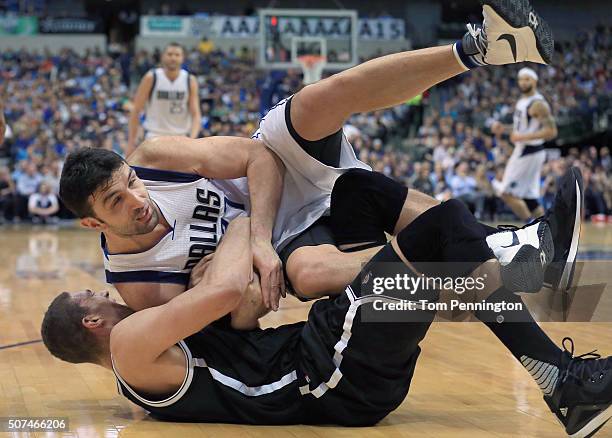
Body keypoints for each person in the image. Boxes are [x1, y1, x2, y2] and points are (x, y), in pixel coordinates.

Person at [59, 0, 570, 318]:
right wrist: (244, 275)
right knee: (311, 275)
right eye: (116, 200)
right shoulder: (140, 286)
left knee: (311, 101)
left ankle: (483, 47)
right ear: (90, 221)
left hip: (269, 183)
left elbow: (260, 157)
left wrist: (250, 241)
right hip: (286, 244)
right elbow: (241, 313)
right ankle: (502, 256)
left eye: (130, 183)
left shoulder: (153, 156)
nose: (137, 199)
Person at [41, 164, 611, 437]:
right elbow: (222, 291)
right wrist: (245, 224)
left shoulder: (148, 350)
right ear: (92, 320)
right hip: (325, 375)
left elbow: (239, 307)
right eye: (95, 294)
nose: (105, 290)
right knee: (441, 228)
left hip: (329, 353)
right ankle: (558, 375)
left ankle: (520, 262)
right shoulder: (128, 345)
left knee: (355, 194)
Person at [492, 67, 558, 222]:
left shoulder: (538, 104)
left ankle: (530, 229)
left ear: (534, 81)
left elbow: (551, 131)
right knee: (529, 198)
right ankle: (545, 231)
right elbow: (520, 128)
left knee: (506, 193)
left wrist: (521, 136)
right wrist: (505, 128)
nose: (523, 82)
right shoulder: (522, 101)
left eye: (527, 79)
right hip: (525, 150)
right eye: (521, 79)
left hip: (530, 151)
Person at [125, 42, 201, 157]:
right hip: (154, 136)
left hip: (181, 137)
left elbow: (196, 114)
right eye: (169, 54)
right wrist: (131, 142)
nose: (173, 58)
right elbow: (136, 110)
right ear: (163, 56)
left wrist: (193, 139)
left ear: (183, 58)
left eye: (177, 55)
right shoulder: (151, 77)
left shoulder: (190, 80)